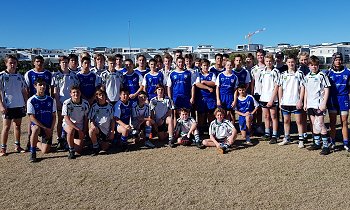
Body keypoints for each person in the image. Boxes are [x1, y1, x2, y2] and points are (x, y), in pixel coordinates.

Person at [0, 55, 28, 156]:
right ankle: (3, 148)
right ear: (6, 63)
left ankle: (17, 146)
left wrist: (25, 103)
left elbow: (24, 91)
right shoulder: (2, 76)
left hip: (19, 105)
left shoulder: (20, 76)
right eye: (10, 62)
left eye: (14, 63)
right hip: (8, 106)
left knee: (17, 126)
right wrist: (1, 106)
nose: (12, 65)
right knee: (6, 127)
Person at [24, 55, 52, 150]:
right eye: (37, 61)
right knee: (32, 120)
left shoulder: (48, 73)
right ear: (34, 62)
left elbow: (51, 87)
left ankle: (44, 138)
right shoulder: (29, 73)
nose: (39, 63)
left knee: (47, 118)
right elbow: (26, 89)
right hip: (34, 101)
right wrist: (27, 101)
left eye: (41, 61)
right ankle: (30, 140)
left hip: (45, 100)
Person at [304, 56, 331, 155]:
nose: (314, 67)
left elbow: (327, 89)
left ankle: (326, 146)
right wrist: (305, 103)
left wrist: (324, 103)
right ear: (309, 66)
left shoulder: (322, 75)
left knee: (320, 124)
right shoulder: (307, 76)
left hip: (319, 104)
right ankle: (316, 143)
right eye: (312, 65)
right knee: (314, 124)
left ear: (318, 65)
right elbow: (306, 90)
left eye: (315, 65)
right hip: (310, 104)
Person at [52, 56, 80, 150]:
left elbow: (76, 88)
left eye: (66, 62)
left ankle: (70, 138)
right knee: (60, 121)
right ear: (59, 63)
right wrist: (57, 101)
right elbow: (55, 90)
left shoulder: (73, 75)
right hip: (61, 102)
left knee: (71, 120)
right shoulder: (56, 75)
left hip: (71, 103)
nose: (64, 64)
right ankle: (60, 139)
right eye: (62, 62)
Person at [277, 55, 306, 147]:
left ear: (295, 63)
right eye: (289, 62)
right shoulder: (283, 74)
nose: (291, 64)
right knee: (286, 121)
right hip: (285, 102)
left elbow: (302, 88)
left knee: (299, 121)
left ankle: (301, 139)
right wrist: (281, 100)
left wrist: (300, 100)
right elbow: (280, 88)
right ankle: (287, 138)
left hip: (296, 102)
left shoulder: (299, 73)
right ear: (286, 63)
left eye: (292, 62)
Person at [27, 78, 56, 162]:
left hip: (48, 127)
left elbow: (54, 116)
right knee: (35, 129)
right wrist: (45, 128)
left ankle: (34, 141)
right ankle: (33, 153)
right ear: (35, 86)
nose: (42, 86)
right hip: (39, 127)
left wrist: (51, 129)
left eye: (44, 85)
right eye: (40, 85)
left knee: (45, 151)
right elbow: (31, 117)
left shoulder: (50, 100)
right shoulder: (31, 100)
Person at [326, 52, 350, 151]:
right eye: (336, 60)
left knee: (344, 122)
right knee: (332, 123)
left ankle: (346, 143)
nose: (338, 61)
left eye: (339, 59)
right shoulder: (328, 72)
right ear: (333, 61)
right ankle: (332, 142)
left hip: (343, 99)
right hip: (332, 99)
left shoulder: (348, 72)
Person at [62, 86, 89, 159]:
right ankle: (71, 150)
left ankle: (67, 141)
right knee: (71, 130)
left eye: (77, 92)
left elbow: (86, 119)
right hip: (69, 124)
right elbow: (66, 119)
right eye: (73, 92)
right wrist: (78, 129)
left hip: (80, 125)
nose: (76, 94)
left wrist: (84, 130)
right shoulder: (66, 103)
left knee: (79, 150)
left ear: (80, 93)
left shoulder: (85, 103)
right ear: (70, 94)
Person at [259, 54, 280, 144]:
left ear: (273, 61)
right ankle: (267, 133)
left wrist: (272, 99)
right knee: (266, 116)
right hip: (263, 97)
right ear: (264, 61)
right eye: (267, 61)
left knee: (274, 117)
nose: (268, 63)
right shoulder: (262, 71)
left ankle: (274, 135)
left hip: (272, 98)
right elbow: (261, 84)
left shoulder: (275, 71)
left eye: (270, 61)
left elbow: (277, 86)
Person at [88, 89, 115, 155]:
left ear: (105, 96)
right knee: (91, 130)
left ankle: (101, 142)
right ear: (96, 97)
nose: (101, 96)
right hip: (98, 129)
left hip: (107, 131)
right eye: (99, 95)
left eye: (103, 95)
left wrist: (111, 131)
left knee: (104, 148)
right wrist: (93, 126)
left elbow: (112, 120)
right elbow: (91, 119)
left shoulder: (110, 106)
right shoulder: (94, 106)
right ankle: (95, 146)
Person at [194, 59, 216, 133]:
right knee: (201, 115)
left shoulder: (212, 74)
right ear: (201, 66)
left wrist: (204, 82)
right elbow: (197, 84)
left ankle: (211, 131)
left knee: (210, 114)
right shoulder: (198, 74)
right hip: (201, 97)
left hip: (210, 98)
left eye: (207, 65)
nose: (205, 67)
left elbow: (214, 83)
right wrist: (208, 87)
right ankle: (200, 130)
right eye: (204, 65)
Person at [250, 49, 265, 134]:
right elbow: (253, 82)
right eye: (258, 55)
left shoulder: (267, 68)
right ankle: (254, 126)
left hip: (265, 93)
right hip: (256, 93)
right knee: (255, 110)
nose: (260, 57)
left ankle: (260, 127)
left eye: (261, 55)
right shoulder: (253, 69)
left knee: (262, 112)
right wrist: (252, 93)